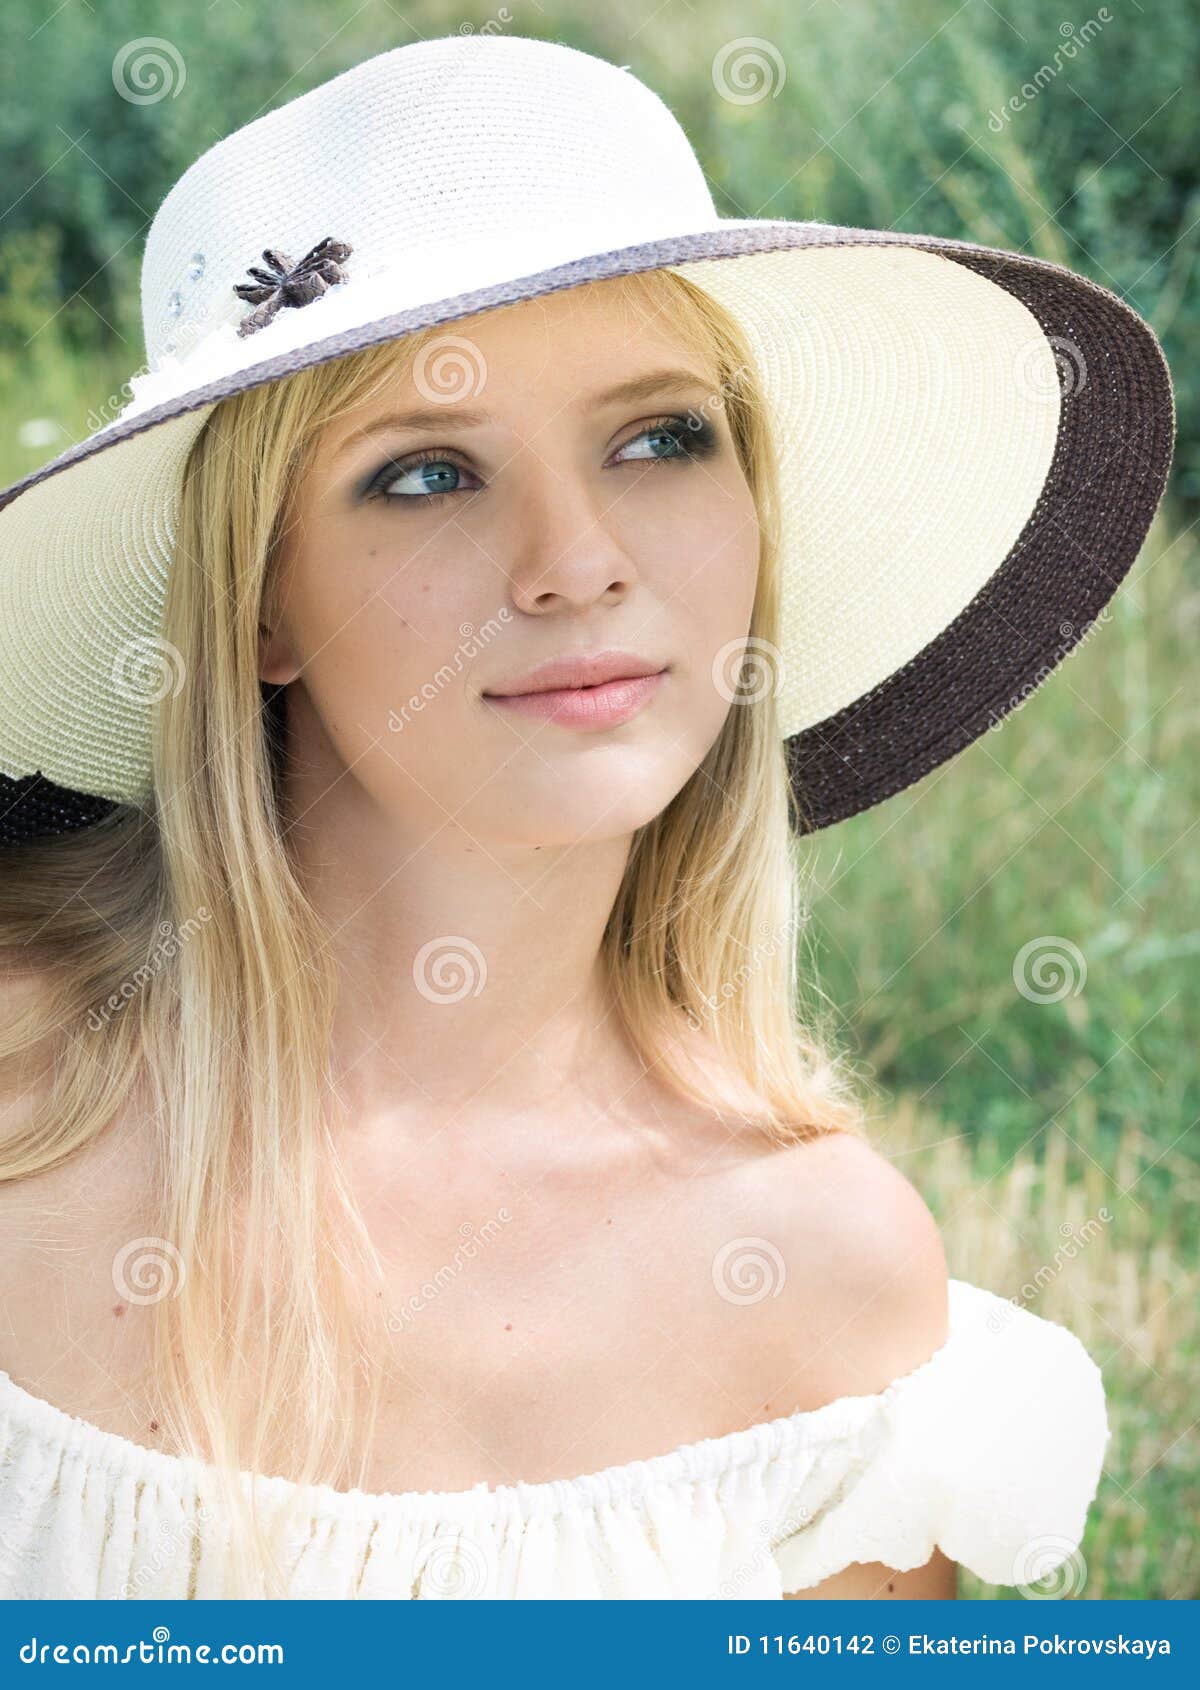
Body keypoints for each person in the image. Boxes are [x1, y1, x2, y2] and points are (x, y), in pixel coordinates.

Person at [0, 33, 1170, 1600]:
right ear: (258, 603)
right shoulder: (27, 1095)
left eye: (659, 438)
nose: (576, 561)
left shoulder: (827, 1289)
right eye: (426, 474)